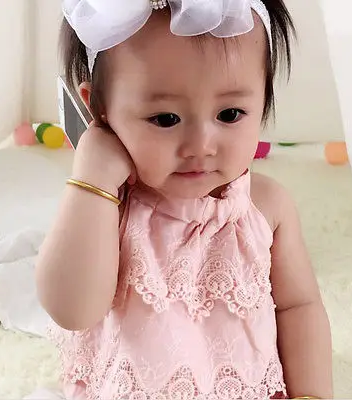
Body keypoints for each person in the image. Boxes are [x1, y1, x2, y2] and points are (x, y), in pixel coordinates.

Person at [35, 0, 333, 398]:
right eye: (165, 119)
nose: (201, 145)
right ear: (100, 111)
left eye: (230, 114)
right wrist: (92, 183)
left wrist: (312, 392)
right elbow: (73, 312)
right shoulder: (110, 207)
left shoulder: (267, 206)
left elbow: (299, 306)